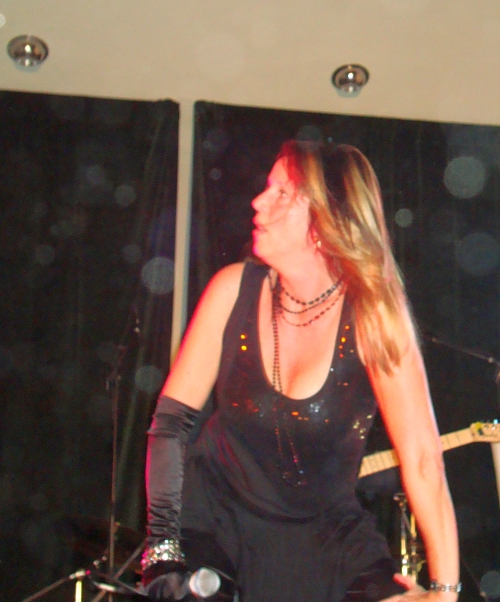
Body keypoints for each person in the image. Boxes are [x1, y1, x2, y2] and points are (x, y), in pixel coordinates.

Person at [142, 140, 460, 601]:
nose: (258, 202)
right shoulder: (232, 290)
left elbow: (423, 458)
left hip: (324, 538)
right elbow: (171, 425)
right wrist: (162, 548)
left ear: (325, 222)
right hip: (214, 522)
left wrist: (445, 591)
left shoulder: (372, 319)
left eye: (282, 193)